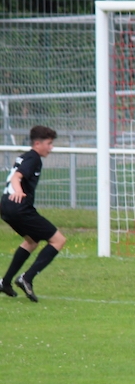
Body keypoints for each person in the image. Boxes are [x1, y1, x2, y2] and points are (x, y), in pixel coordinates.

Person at [1, 125, 66, 302]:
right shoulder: (34, 158)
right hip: (19, 207)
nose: (51, 148)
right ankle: (27, 278)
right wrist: (18, 191)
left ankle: (5, 282)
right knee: (58, 240)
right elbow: (16, 177)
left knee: (31, 241)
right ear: (37, 144)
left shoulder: (25, 157)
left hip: (5, 206)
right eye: (49, 143)